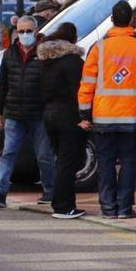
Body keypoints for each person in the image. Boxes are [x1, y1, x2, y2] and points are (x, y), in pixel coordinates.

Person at [78, 0, 136, 220]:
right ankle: (124, 208)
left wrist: (85, 112)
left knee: (105, 163)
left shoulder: (99, 48)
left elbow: (87, 84)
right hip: (132, 117)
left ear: (112, 20)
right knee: (129, 163)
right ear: (131, 20)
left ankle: (108, 208)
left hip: (104, 117)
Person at [0, 15, 55, 208]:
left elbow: (52, 83)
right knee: (8, 153)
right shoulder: (11, 53)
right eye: (21, 31)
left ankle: (50, 192)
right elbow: (3, 82)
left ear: (37, 31)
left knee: (44, 156)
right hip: (14, 113)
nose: (24, 34)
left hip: (39, 114)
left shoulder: (45, 53)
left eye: (28, 31)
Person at [38, 22, 87, 220]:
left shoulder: (46, 62)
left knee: (61, 160)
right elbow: (80, 92)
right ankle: (64, 206)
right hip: (69, 115)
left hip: (49, 114)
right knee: (70, 162)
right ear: (73, 39)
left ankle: (60, 203)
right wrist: (85, 117)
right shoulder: (73, 62)